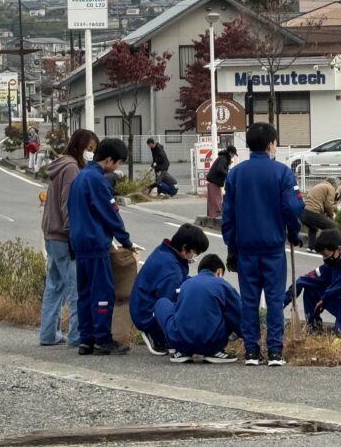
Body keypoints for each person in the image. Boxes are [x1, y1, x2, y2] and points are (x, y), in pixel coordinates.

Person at [222, 122, 304, 367]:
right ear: (271, 144)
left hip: (246, 247)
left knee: (249, 300)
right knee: (275, 299)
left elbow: (228, 215)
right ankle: (276, 352)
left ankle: (251, 351)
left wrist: (232, 246)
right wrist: (294, 231)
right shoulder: (282, 172)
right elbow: (293, 206)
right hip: (273, 247)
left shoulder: (235, 174)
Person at [68, 138, 137, 356]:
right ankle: (102, 338)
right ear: (108, 160)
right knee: (103, 292)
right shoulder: (97, 181)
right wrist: (126, 241)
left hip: (79, 242)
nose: (117, 167)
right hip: (96, 243)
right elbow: (110, 215)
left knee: (85, 293)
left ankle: (86, 340)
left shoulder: (79, 178)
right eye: (117, 163)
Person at [39, 129, 99, 347]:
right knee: (76, 289)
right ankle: (76, 336)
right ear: (79, 146)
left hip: (51, 234)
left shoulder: (60, 164)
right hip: (65, 237)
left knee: (54, 286)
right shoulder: (72, 168)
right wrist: (75, 233)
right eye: (89, 149)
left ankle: (47, 334)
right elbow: (68, 203)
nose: (90, 153)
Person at [130, 223, 209, 355]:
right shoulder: (172, 270)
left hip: (141, 306)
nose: (195, 256)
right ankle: (160, 337)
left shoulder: (165, 251)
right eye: (195, 252)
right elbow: (169, 302)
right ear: (185, 248)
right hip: (147, 315)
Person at [154, 254, 241, 364]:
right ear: (219, 272)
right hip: (212, 343)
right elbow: (238, 314)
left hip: (181, 342)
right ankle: (214, 352)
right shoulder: (222, 284)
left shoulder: (186, 284)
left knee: (162, 303)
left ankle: (181, 352)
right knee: (231, 307)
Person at [299, 177, 339, 251]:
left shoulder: (319, 186)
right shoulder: (330, 188)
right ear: (334, 184)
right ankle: (329, 248)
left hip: (303, 213)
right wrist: (332, 215)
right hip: (313, 212)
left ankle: (311, 247)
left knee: (313, 228)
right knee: (332, 226)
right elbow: (328, 205)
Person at [206, 146, 237, 217]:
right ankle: (218, 215)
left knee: (213, 200)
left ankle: (212, 215)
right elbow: (220, 168)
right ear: (230, 153)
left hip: (212, 181)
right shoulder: (224, 158)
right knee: (217, 199)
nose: (233, 156)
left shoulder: (222, 157)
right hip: (215, 181)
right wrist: (227, 174)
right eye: (233, 154)